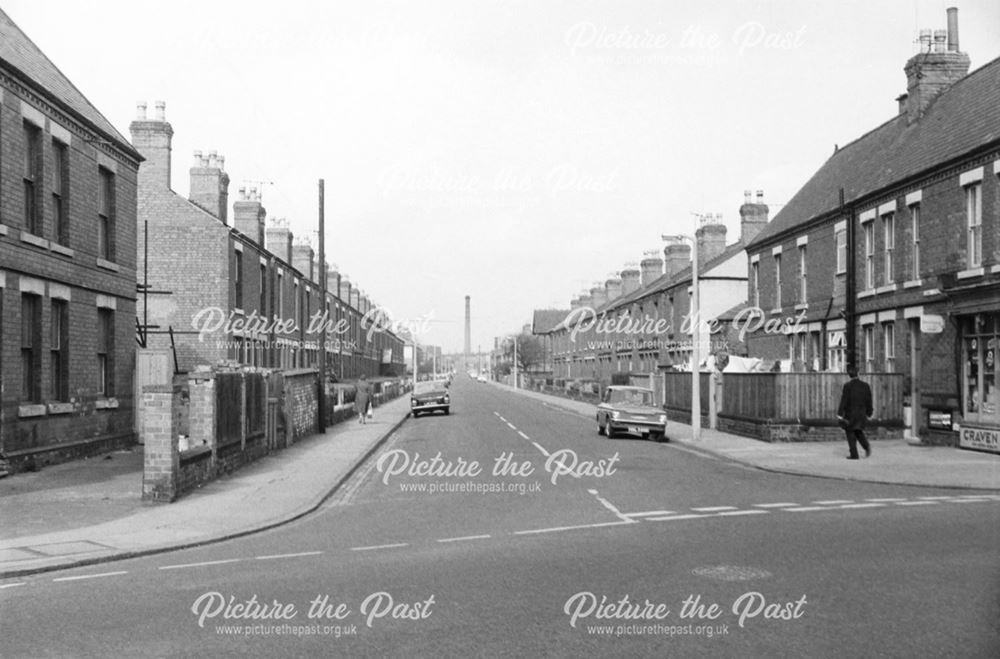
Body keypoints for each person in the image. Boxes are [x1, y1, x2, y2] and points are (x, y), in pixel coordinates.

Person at [837, 366, 873, 459]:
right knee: (858, 430)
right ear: (858, 374)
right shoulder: (865, 386)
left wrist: (840, 414)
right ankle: (866, 446)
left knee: (850, 432)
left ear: (849, 375)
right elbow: (869, 400)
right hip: (861, 413)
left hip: (850, 414)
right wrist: (869, 412)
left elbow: (844, 400)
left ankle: (854, 454)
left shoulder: (847, 386)